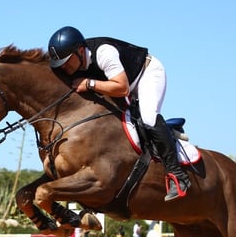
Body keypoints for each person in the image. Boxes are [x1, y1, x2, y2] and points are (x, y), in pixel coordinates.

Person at [47, 25, 190, 201]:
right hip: (120, 84)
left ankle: (178, 177)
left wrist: (90, 84)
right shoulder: (76, 64)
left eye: (67, 61)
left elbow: (122, 88)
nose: (65, 67)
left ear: (80, 51)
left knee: (148, 117)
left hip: (145, 75)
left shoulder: (103, 53)